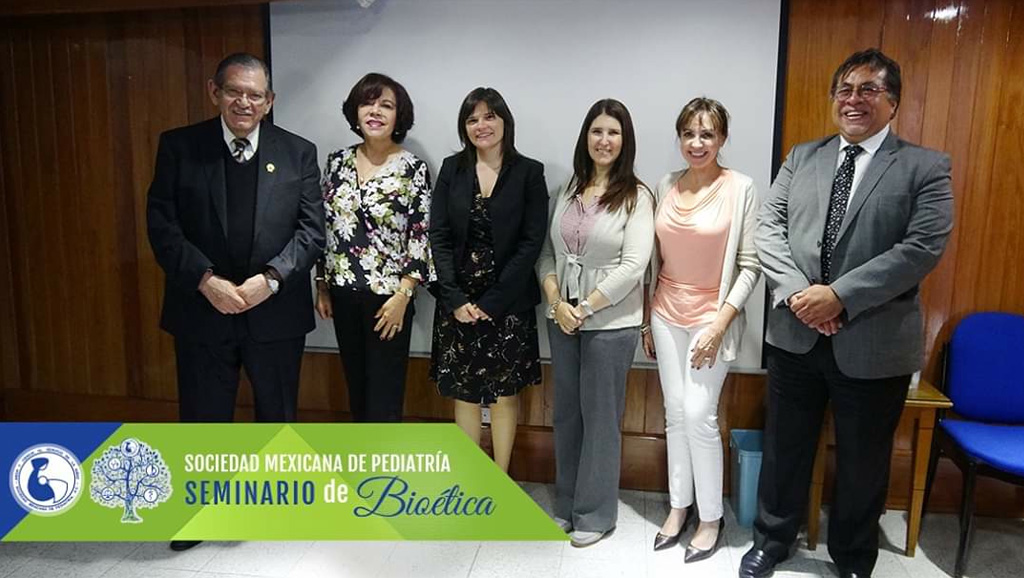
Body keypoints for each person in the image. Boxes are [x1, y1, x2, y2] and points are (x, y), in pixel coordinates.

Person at [743, 48, 954, 578]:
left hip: (873, 340)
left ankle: (855, 557)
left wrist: (838, 296)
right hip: (795, 336)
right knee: (785, 448)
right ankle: (772, 540)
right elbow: (768, 229)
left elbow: (921, 248)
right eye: (844, 89)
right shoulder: (802, 156)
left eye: (867, 90)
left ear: (893, 103)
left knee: (864, 462)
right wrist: (799, 294)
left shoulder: (925, 167)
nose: (852, 99)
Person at [146, 52, 325, 551]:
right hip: (203, 308)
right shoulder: (179, 147)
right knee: (203, 417)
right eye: (234, 91)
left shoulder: (298, 152)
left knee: (277, 415)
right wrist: (206, 280)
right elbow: (162, 226)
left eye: (255, 94)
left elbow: (312, 232)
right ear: (214, 92)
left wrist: (269, 280)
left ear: (270, 101)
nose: (244, 102)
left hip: (275, 310)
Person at [643, 98, 761, 561]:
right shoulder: (665, 184)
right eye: (689, 134)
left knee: (698, 414)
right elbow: (655, 259)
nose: (697, 143)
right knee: (674, 413)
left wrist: (719, 322)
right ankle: (678, 508)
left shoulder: (741, 188)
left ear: (722, 139)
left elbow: (751, 265)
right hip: (664, 312)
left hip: (713, 318)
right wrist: (645, 322)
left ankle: (711, 518)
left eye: (707, 134)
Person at [537, 99, 654, 548]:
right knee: (567, 415)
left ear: (625, 142)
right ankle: (567, 506)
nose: (604, 140)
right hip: (561, 319)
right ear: (585, 137)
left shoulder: (637, 196)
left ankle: (596, 514)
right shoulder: (568, 187)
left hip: (610, 323)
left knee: (601, 418)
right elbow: (547, 253)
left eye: (613, 133)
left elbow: (633, 266)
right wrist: (556, 301)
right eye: (596, 131)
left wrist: (583, 307)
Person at [428, 87, 547, 473]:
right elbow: (439, 235)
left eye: (489, 116)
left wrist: (493, 302)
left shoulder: (529, 172)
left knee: (503, 396)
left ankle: (499, 477)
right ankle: (470, 476)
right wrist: (455, 298)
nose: (482, 125)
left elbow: (531, 243)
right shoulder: (452, 168)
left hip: (508, 303)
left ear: (504, 121)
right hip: (458, 302)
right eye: (472, 119)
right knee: (463, 394)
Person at [315, 73, 432, 423]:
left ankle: (382, 472)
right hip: (342, 292)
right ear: (355, 111)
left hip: (390, 299)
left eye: (386, 105)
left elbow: (420, 235)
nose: (376, 111)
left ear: (399, 116)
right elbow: (325, 226)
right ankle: (360, 467)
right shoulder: (336, 162)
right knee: (357, 387)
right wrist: (321, 283)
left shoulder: (413, 168)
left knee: (384, 393)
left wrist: (404, 296)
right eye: (368, 102)